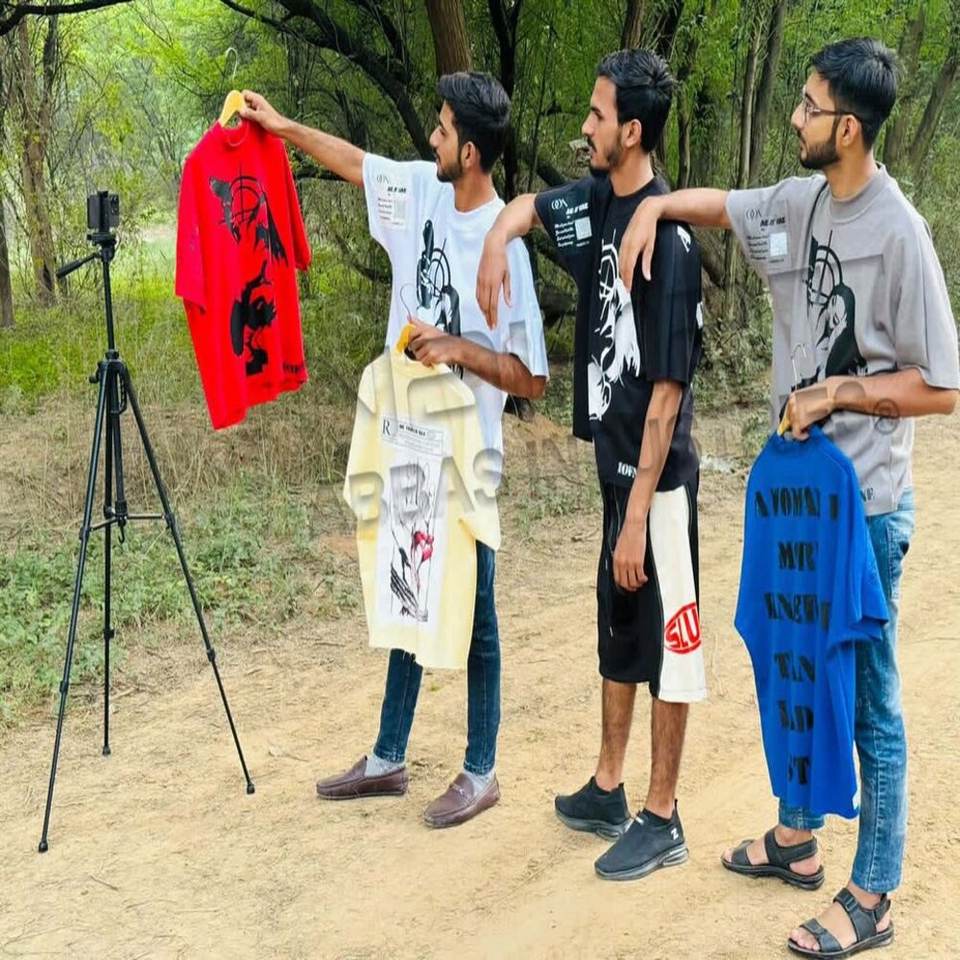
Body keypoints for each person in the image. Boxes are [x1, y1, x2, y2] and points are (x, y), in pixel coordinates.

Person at [617, 37, 959, 957]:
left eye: (810, 106)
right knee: (790, 664)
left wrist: (837, 392)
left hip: (864, 510)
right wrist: (653, 209)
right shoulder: (799, 206)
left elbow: (943, 387)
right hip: (793, 502)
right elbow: (723, 206)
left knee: (868, 697)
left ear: (848, 129)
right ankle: (796, 838)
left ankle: (874, 892)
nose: (796, 117)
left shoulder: (899, 234)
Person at [241, 72, 549, 828]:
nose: (431, 138)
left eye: (443, 130)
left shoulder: (503, 249)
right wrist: (283, 127)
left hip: (466, 460)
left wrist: (458, 348)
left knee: (475, 614)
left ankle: (481, 769)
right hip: (407, 443)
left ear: (469, 152)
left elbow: (533, 379)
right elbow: (354, 162)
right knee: (406, 590)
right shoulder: (420, 192)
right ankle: (388, 757)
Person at [476, 49, 705, 880]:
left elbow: (669, 395)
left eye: (598, 115)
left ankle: (663, 815)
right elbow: (529, 208)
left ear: (632, 130)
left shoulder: (670, 243)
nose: (585, 126)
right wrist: (497, 238)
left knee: (671, 644)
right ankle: (609, 787)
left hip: (659, 484)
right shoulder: (603, 202)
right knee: (618, 626)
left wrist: (639, 514)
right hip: (616, 471)